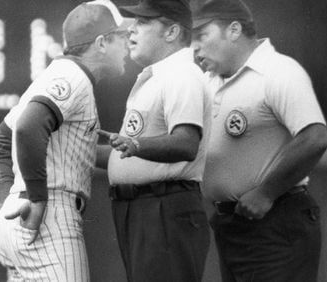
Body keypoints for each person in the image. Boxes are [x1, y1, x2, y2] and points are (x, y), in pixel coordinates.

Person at [0, 1, 131, 281]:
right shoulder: (72, 76)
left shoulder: (54, 76)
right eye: (121, 37)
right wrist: (37, 199)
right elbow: (28, 128)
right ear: (101, 43)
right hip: (50, 215)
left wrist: (9, 200)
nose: (128, 43)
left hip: (21, 216)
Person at [191, 0, 327, 281]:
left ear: (233, 29)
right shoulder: (209, 81)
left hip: (276, 220)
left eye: (202, 35)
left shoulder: (278, 71)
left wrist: (266, 191)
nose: (195, 47)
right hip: (232, 224)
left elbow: (315, 137)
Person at [96, 0, 211, 281]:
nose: (132, 30)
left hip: (163, 208)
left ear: (172, 32)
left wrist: (136, 145)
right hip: (143, 210)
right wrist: (72, 149)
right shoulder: (156, 78)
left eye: (143, 22)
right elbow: (126, 154)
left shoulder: (181, 74)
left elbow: (186, 143)